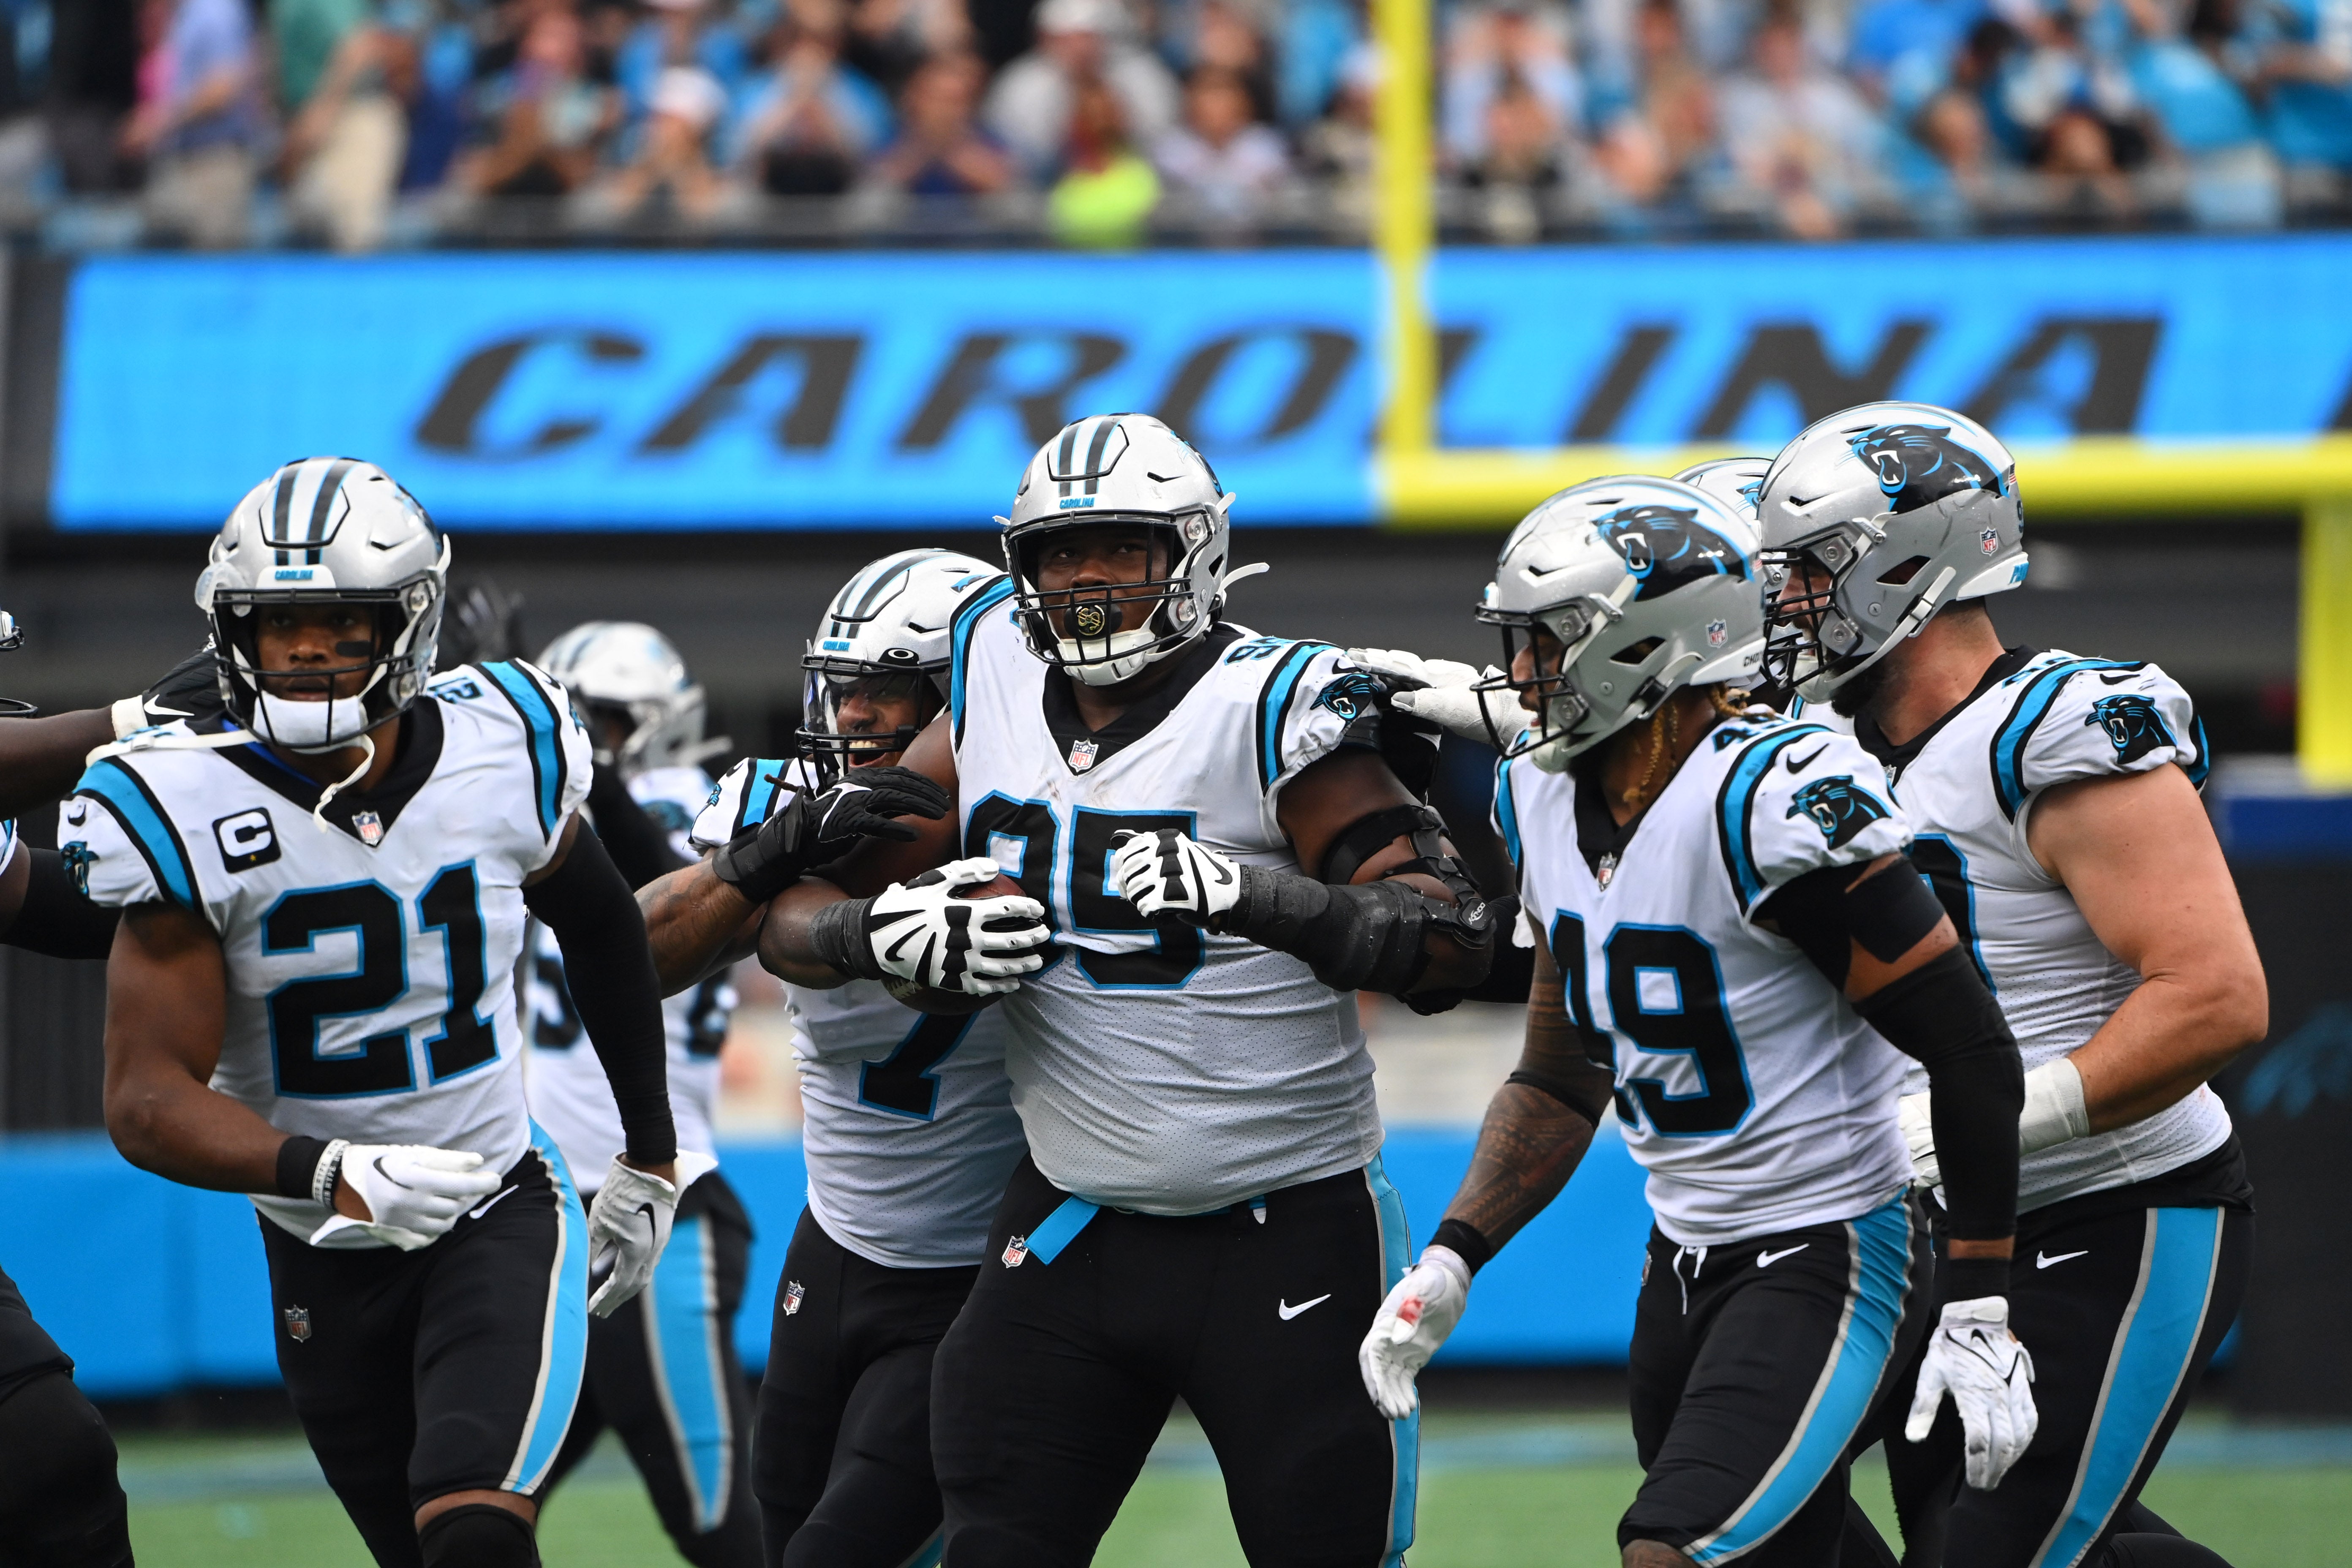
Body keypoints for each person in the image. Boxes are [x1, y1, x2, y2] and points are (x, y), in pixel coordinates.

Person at [751, 412, 1498, 1566]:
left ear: (1194, 556)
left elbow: (1452, 942)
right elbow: (797, 908)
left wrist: (1253, 898)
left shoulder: (1270, 704)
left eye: (1122, 550)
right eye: (1060, 552)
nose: (1086, 580)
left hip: (1282, 1223)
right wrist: (875, 931)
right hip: (1070, 1226)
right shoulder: (989, 663)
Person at [1346, 474, 2034, 1567]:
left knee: (1673, 1548)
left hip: (1833, 1246)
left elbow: (1974, 1050)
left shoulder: (1769, 797)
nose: (1521, 676)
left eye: (1548, 644)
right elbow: (1563, 1073)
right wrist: (1456, 1254)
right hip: (1683, 1263)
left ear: (1646, 644)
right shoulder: (1538, 795)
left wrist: (1983, 1301)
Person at [67, 457, 692, 1568]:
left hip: (496, 1206)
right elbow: (145, 1098)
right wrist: (326, 1171)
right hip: (318, 1248)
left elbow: (602, 926)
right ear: (229, 631)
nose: (306, 651)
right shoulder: (178, 793)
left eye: (340, 624)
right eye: (279, 625)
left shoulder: (507, 738)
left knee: (473, 1532)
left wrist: (651, 1151)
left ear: (407, 622)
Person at [1756, 403, 2265, 1568]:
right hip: (1947, 1227)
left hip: (2116, 1207)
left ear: (1912, 561)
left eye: (1813, 569)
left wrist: (1981, 1122)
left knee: (1987, 1551)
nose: (1788, 602)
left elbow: (2216, 997)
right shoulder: (1825, 751)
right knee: (1862, 1519)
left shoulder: (2053, 731)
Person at [636, 549, 1031, 1567]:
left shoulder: (1034, 814)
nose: (853, 715)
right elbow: (634, 956)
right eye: (844, 687)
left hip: (983, 1269)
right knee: (780, 1535)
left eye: (889, 689)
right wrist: (777, 849)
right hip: (838, 1244)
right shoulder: (785, 798)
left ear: (963, 697)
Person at [523, 622, 760, 1568]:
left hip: (661, 1206)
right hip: (538, 1212)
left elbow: (657, 869)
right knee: (476, 1501)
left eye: (608, 721)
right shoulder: (532, 807)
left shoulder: (680, 804)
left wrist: (563, 748)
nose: (595, 742)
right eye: (580, 723)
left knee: (722, 1521)